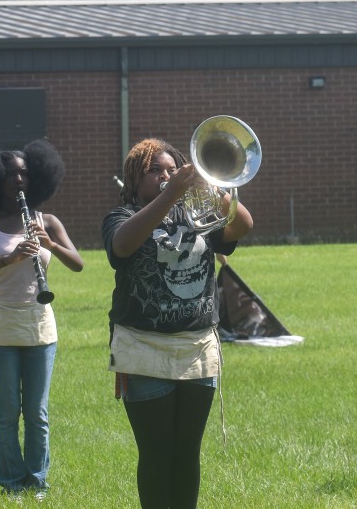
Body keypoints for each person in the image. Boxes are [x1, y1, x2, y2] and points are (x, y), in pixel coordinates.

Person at [103, 138, 253, 509]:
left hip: (196, 347)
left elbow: (243, 224)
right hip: (142, 347)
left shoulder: (199, 217)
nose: (166, 176)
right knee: (156, 454)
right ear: (135, 180)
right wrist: (171, 194)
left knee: (187, 453)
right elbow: (122, 246)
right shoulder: (120, 218)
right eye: (155, 171)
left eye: (171, 169)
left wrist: (210, 186)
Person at [0, 140, 84, 499]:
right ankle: (11, 484)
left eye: (24, 173)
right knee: (7, 414)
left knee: (37, 412)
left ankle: (37, 480)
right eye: (10, 173)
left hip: (40, 327)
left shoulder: (46, 220)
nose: (18, 179)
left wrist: (51, 244)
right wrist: (9, 257)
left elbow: (77, 263)